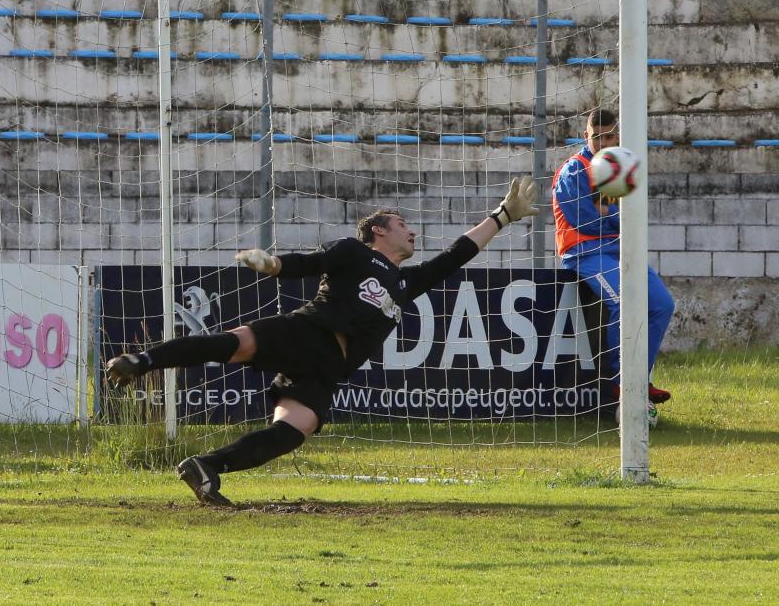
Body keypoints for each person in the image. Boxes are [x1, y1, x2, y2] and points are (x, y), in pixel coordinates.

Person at [106, 177, 539, 505]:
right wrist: (275, 264)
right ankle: (140, 361)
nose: (412, 232)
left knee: (295, 429)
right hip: (306, 332)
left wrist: (502, 216)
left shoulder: (405, 282)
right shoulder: (355, 252)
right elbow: (313, 262)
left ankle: (207, 467)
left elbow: (455, 255)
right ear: (379, 232)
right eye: (402, 224)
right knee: (230, 343)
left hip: (329, 366)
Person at [551, 108, 675, 420]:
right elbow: (584, 222)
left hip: (619, 250)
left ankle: (640, 379)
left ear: (616, 135)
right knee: (625, 299)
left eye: (609, 136)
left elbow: (627, 211)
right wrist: (620, 217)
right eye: (597, 137)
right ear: (585, 136)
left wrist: (609, 215)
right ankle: (622, 384)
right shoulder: (574, 171)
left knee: (662, 304)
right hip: (585, 253)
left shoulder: (621, 165)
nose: (604, 142)